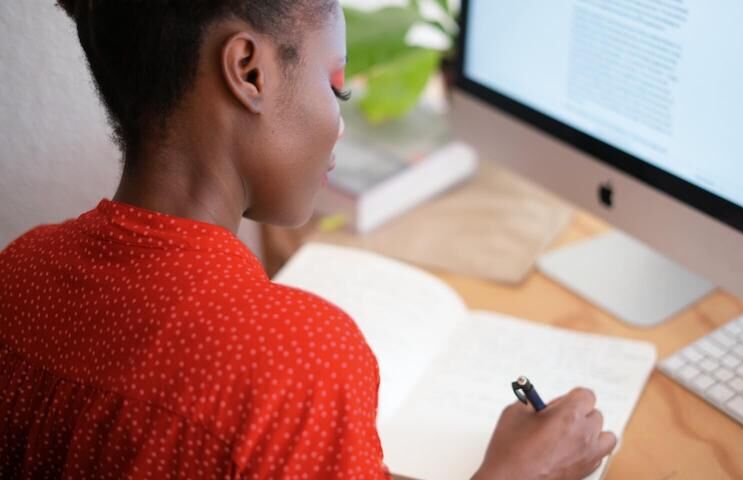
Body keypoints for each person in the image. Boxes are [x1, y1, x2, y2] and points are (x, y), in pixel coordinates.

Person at [0, 1, 616, 478]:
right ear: (249, 71)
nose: (340, 123)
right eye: (336, 85)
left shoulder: (19, 272)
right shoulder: (299, 365)